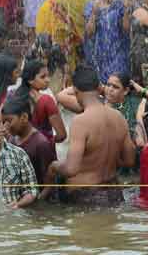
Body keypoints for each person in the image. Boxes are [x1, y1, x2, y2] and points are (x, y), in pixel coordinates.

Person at [45, 66, 135, 205]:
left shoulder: (81, 121)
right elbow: (129, 160)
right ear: (99, 88)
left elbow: (71, 169)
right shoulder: (119, 117)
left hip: (84, 197)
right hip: (114, 195)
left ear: (75, 92)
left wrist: (54, 166)